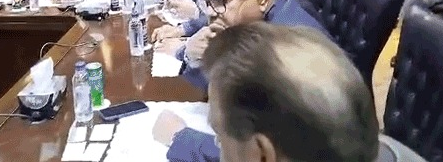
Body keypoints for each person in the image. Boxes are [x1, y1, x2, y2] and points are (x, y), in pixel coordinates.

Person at [154, 21, 427, 162]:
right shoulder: (383, 149)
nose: (218, 145)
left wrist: (180, 138)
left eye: (219, 138)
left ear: (262, 155)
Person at [156, 0, 327, 91]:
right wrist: (193, 56)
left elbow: (238, 103)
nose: (210, 12)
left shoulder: (286, 44)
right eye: (207, 2)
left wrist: (188, 55)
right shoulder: (270, 7)